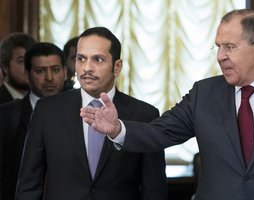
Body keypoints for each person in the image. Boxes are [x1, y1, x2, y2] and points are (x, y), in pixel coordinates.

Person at [80, 9, 254, 200]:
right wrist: (118, 129)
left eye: (230, 47)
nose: (220, 56)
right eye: (218, 47)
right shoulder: (203, 94)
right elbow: (159, 131)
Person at [16, 27, 167, 200]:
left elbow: (154, 189)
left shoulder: (144, 115)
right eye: (81, 59)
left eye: (98, 60)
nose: (87, 68)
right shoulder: (47, 111)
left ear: (117, 67)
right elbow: (29, 184)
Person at [0, 42, 67, 200]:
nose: (49, 78)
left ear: (65, 72)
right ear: (27, 74)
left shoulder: (82, 112)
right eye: (40, 71)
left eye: (55, 70)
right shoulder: (7, 115)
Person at [0, 33, 36, 105]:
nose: (29, 67)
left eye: (33, 60)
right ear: (5, 66)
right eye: (21, 61)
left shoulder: (44, 100)